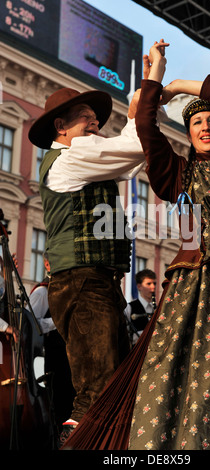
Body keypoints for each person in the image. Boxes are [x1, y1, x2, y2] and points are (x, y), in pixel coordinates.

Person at [62, 40, 210, 451]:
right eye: (196, 123)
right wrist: (156, 73)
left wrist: (182, 88)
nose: (205, 128)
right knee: (188, 369)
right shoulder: (177, 174)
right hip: (196, 286)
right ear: (187, 134)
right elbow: (147, 129)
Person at [28, 83, 145, 441]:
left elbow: (127, 157)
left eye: (96, 119)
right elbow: (135, 148)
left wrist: (145, 96)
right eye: (86, 119)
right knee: (98, 392)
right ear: (61, 127)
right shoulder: (71, 157)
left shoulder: (83, 160)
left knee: (117, 387)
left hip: (95, 281)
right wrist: (143, 103)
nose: (94, 123)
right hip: (82, 281)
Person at [29, 253, 75, 445]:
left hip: (70, 355)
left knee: (70, 398)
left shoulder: (66, 290)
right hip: (53, 356)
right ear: (47, 264)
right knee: (58, 400)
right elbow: (32, 323)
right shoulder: (41, 293)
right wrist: (57, 322)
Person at [124, 269, 156, 346]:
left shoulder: (158, 309)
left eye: (154, 283)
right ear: (139, 286)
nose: (153, 287)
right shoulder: (129, 308)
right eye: (148, 284)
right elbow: (125, 336)